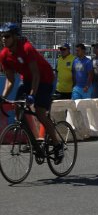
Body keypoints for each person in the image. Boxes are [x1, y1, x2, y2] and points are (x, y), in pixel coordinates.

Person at [0, 22, 64, 164]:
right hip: (27, 80)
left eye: (7, 36)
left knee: (40, 113)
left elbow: (36, 75)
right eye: (2, 36)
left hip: (44, 79)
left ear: (15, 37)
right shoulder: (4, 54)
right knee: (17, 108)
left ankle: (57, 144)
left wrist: (32, 95)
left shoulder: (27, 48)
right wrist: (3, 97)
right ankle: (34, 142)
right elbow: (10, 80)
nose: (3, 39)